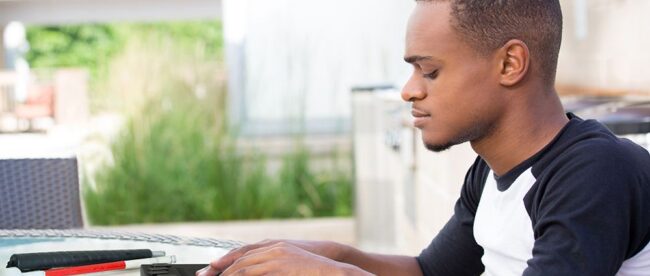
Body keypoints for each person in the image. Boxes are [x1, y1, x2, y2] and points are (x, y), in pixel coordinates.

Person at [197, 0, 650, 275]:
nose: (410, 89)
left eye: (430, 70)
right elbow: (429, 272)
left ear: (510, 64)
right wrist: (325, 256)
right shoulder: (492, 171)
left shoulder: (593, 175)